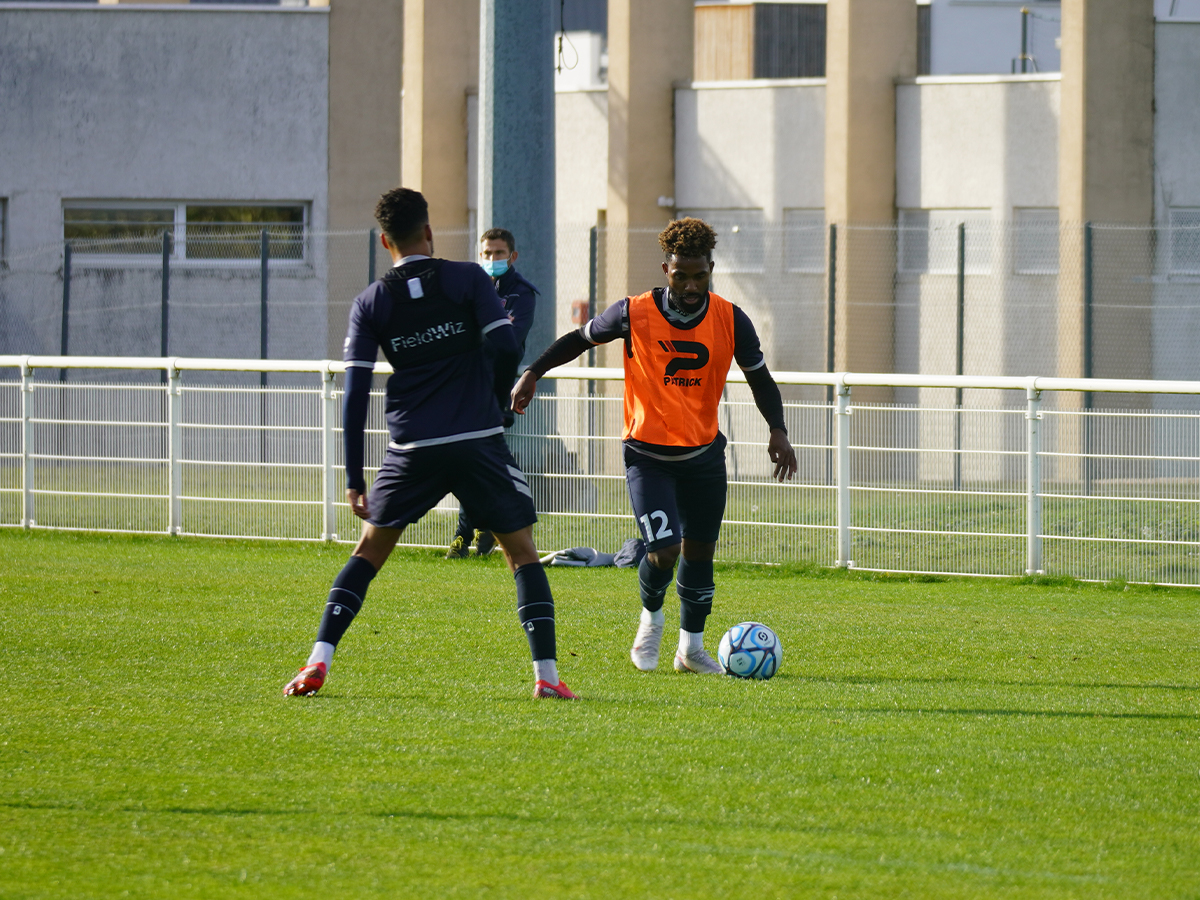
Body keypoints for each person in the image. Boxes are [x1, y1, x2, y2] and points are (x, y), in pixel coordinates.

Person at [284, 188, 576, 700]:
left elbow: (354, 395)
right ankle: (547, 677)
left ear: (383, 241)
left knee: (369, 551)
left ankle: (317, 661)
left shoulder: (371, 301)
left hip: (412, 447)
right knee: (522, 554)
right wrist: (497, 401)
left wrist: (354, 478)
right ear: (429, 232)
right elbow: (506, 343)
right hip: (475, 440)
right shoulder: (465, 277)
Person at [511, 217, 797, 675]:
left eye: (698, 275)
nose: (689, 284)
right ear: (666, 269)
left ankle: (691, 650)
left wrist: (777, 429)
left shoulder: (730, 318)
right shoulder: (632, 312)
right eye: (680, 274)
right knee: (664, 551)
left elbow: (759, 378)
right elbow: (578, 340)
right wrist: (534, 372)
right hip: (648, 457)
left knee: (700, 552)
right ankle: (651, 623)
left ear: (711, 269)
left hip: (704, 456)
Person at [446, 228, 538, 559]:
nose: (492, 259)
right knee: (470, 462)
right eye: (486, 253)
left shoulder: (521, 293)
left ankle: (469, 533)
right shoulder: (469, 288)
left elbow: (509, 339)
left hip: (494, 389)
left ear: (512, 257)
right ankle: (479, 530)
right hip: (463, 386)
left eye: (498, 253)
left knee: (479, 461)